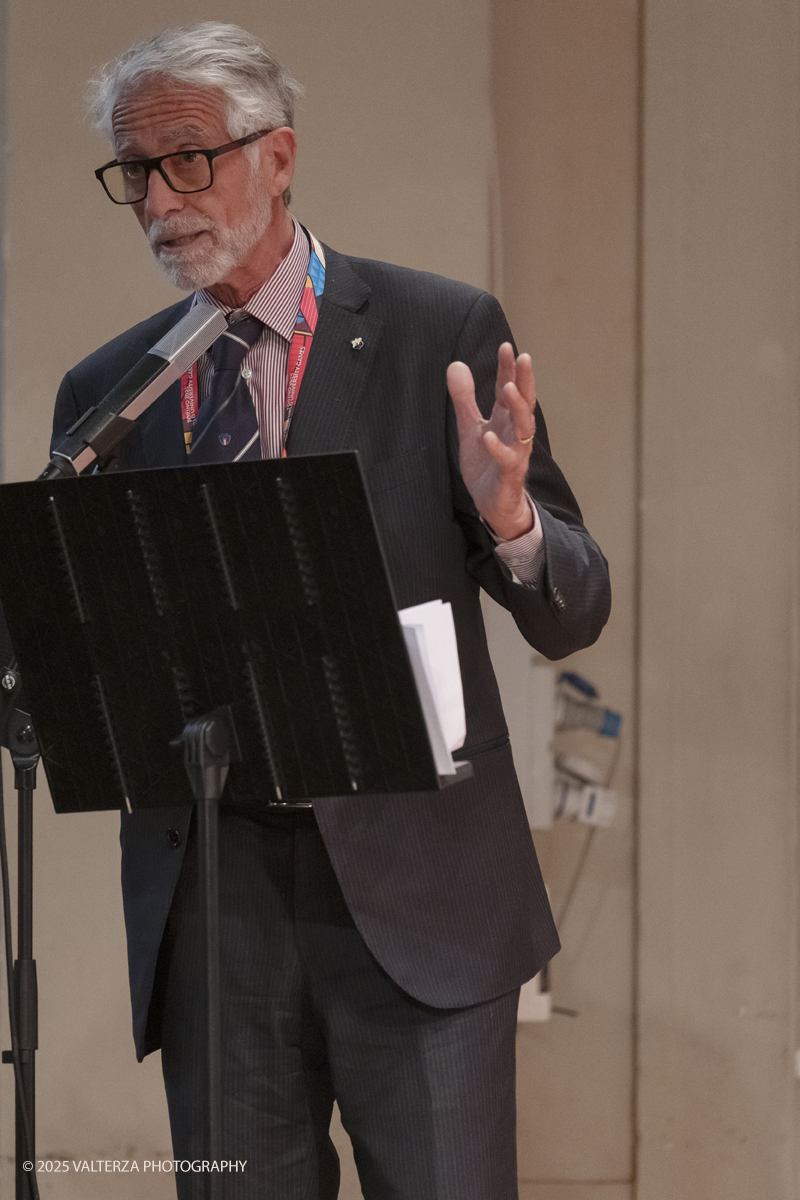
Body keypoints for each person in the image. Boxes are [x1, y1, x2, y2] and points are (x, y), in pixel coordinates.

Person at [51, 22, 611, 1200]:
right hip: (215, 903)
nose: (161, 198)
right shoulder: (112, 392)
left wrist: (509, 524)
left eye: (190, 158)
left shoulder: (435, 335)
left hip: (421, 891)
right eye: (136, 171)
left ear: (280, 154)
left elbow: (574, 610)